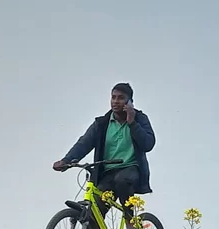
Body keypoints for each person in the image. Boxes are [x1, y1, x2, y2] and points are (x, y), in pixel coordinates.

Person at [52, 82, 156, 219]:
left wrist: (132, 122)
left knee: (122, 180)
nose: (116, 101)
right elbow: (84, 143)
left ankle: (130, 221)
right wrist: (66, 160)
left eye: (121, 98)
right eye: (113, 97)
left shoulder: (140, 119)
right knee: (94, 212)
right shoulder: (102, 123)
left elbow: (148, 144)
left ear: (130, 102)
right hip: (107, 173)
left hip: (130, 169)